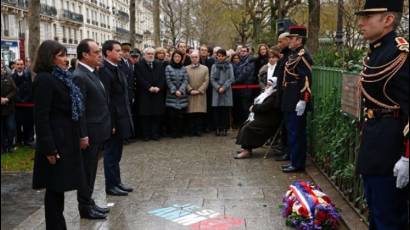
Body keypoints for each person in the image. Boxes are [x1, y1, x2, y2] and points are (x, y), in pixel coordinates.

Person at [355, 1, 409, 229]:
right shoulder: (378, 52)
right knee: (376, 214)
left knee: (389, 218)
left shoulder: (400, 54)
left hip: (391, 150)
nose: (360, 22)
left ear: (387, 20)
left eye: (368, 17)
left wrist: (408, 157)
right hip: (375, 144)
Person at [31, 40, 86, 230]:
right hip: (55, 143)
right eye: (61, 56)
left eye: (65, 55)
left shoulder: (62, 77)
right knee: (54, 189)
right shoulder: (44, 79)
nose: (66, 59)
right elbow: (41, 117)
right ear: (49, 58)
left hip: (66, 140)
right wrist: (49, 148)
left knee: (59, 188)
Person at [72, 39, 111, 219]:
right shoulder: (79, 75)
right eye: (96, 52)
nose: (100, 55)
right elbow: (80, 110)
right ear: (85, 55)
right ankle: (85, 207)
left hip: (98, 131)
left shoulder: (92, 73)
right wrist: (83, 135)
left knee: (92, 170)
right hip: (89, 134)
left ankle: (89, 201)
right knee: (86, 171)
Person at [99, 40, 134, 196]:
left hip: (122, 117)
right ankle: (110, 185)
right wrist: (110, 123)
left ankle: (117, 182)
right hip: (113, 119)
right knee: (111, 154)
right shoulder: (104, 70)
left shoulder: (117, 68)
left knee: (117, 153)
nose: (121, 53)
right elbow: (106, 100)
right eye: (117, 50)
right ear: (108, 52)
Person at [280, 26, 313, 173]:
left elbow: (306, 79)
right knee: (292, 131)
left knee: (297, 132)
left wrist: (304, 99)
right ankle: (294, 160)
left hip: (296, 98)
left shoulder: (303, 55)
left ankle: (298, 163)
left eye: (291, 38)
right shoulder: (294, 55)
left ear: (299, 40)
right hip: (289, 97)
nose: (289, 41)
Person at [235, 78, 281, 159]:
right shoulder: (268, 93)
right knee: (246, 123)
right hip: (263, 116)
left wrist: (253, 107)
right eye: (267, 84)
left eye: (270, 85)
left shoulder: (274, 95)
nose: (267, 86)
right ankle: (246, 148)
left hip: (269, 120)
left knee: (248, 127)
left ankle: (247, 151)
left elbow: (264, 107)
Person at [134, 47, 166, 141]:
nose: (150, 55)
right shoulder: (139, 65)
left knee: (156, 115)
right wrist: (149, 87)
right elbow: (139, 78)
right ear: (144, 55)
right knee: (145, 115)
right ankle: (146, 135)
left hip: (157, 93)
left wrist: (158, 87)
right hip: (145, 94)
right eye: (148, 54)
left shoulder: (159, 64)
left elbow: (163, 78)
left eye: (152, 54)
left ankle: (155, 134)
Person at [273, 32, 292, 162]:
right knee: (285, 126)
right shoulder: (285, 56)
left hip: (289, 96)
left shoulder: (291, 56)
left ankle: (288, 151)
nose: (279, 44)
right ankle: (284, 148)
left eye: (281, 42)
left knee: (290, 128)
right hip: (283, 95)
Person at [165, 50, 189, 138]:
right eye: (175, 57)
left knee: (180, 116)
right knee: (172, 116)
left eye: (179, 57)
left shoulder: (184, 68)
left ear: (181, 58)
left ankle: (180, 132)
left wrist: (181, 90)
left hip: (182, 95)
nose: (177, 58)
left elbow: (186, 80)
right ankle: (173, 133)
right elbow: (168, 80)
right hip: (171, 95)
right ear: (173, 57)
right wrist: (175, 90)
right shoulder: (168, 67)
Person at [210, 49, 234, 136]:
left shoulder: (229, 66)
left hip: (226, 90)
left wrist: (223, 87)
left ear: (225, 56)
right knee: (217, 110)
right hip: (216, 91)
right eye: (219, 56)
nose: (220, 57)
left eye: (222, 56)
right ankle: (217, 128)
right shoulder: (214, 66)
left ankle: (224, 128)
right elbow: (212, 79)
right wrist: (218, 87)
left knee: (225, 110)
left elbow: (231, 78)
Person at [186, 50, 209, 136]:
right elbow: (185, 81)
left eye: (196, 57)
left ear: (199, 58)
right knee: (191, 113)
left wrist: (199, 90)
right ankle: (192, 131)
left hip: (200, 94)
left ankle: (199, 131)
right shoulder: (186, 68)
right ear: (190, 58)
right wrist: (190, 90)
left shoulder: (205, 68)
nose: (194, 59)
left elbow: (206, 81)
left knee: (199, 113)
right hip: (190, 94)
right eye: (192, 57)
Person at [12, 59, 34, 146]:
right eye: (18, 64)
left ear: (24, 65)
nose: (20, 66)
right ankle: (19, 140)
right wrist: (18, 99)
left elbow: (30, 88)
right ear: (15, 66)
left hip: (27, 104)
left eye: (21, 64)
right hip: (17, 104)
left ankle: (27, 140)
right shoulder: (12, 76)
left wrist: (25, 99)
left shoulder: (28, 75)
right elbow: (13, 89)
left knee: (27, 123)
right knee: (18, 123)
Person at [232, 46, 255, 128]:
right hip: (238, 89)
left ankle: (246, 125)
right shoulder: (239, 61)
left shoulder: (250, 61)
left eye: (244, 51)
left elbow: (244, 74)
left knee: (245, 107)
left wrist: (233, 82)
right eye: (241, 51)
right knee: (239, 108)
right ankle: (239, 124)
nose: (243, 52)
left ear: (248, 52)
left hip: (246, 88)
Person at [1, 62, 17, 153]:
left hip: (8, 108)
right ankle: (3, 147)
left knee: (10, 127)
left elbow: (15, 90)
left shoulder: (9, 78)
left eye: (2, 67)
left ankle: (10, 145)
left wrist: (7, 98)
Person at [199, 45, 216, 133]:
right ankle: (201, 126)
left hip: (209, 87)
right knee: (200, 107)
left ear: (208, 52)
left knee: (209, 107)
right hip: (198, 87)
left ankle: (209, 126)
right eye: (202, 50)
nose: (203, 52)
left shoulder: (212, 61)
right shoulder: (197, 60)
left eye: (205, 50)